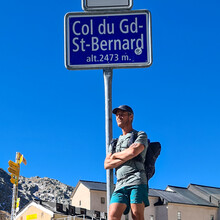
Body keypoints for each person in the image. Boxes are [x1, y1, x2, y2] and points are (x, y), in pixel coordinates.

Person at [104, 105, 149, 220]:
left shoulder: (140, 135)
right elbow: (107, 164)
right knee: (112, 215)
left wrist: (115, 157)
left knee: (136, 214)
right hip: (120, 184)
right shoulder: (114, 142)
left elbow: (134, 151)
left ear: (131, 116)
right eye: (117, 115)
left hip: (136, 179)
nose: (118, 117)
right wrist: (126, 155)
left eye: (122, 114)